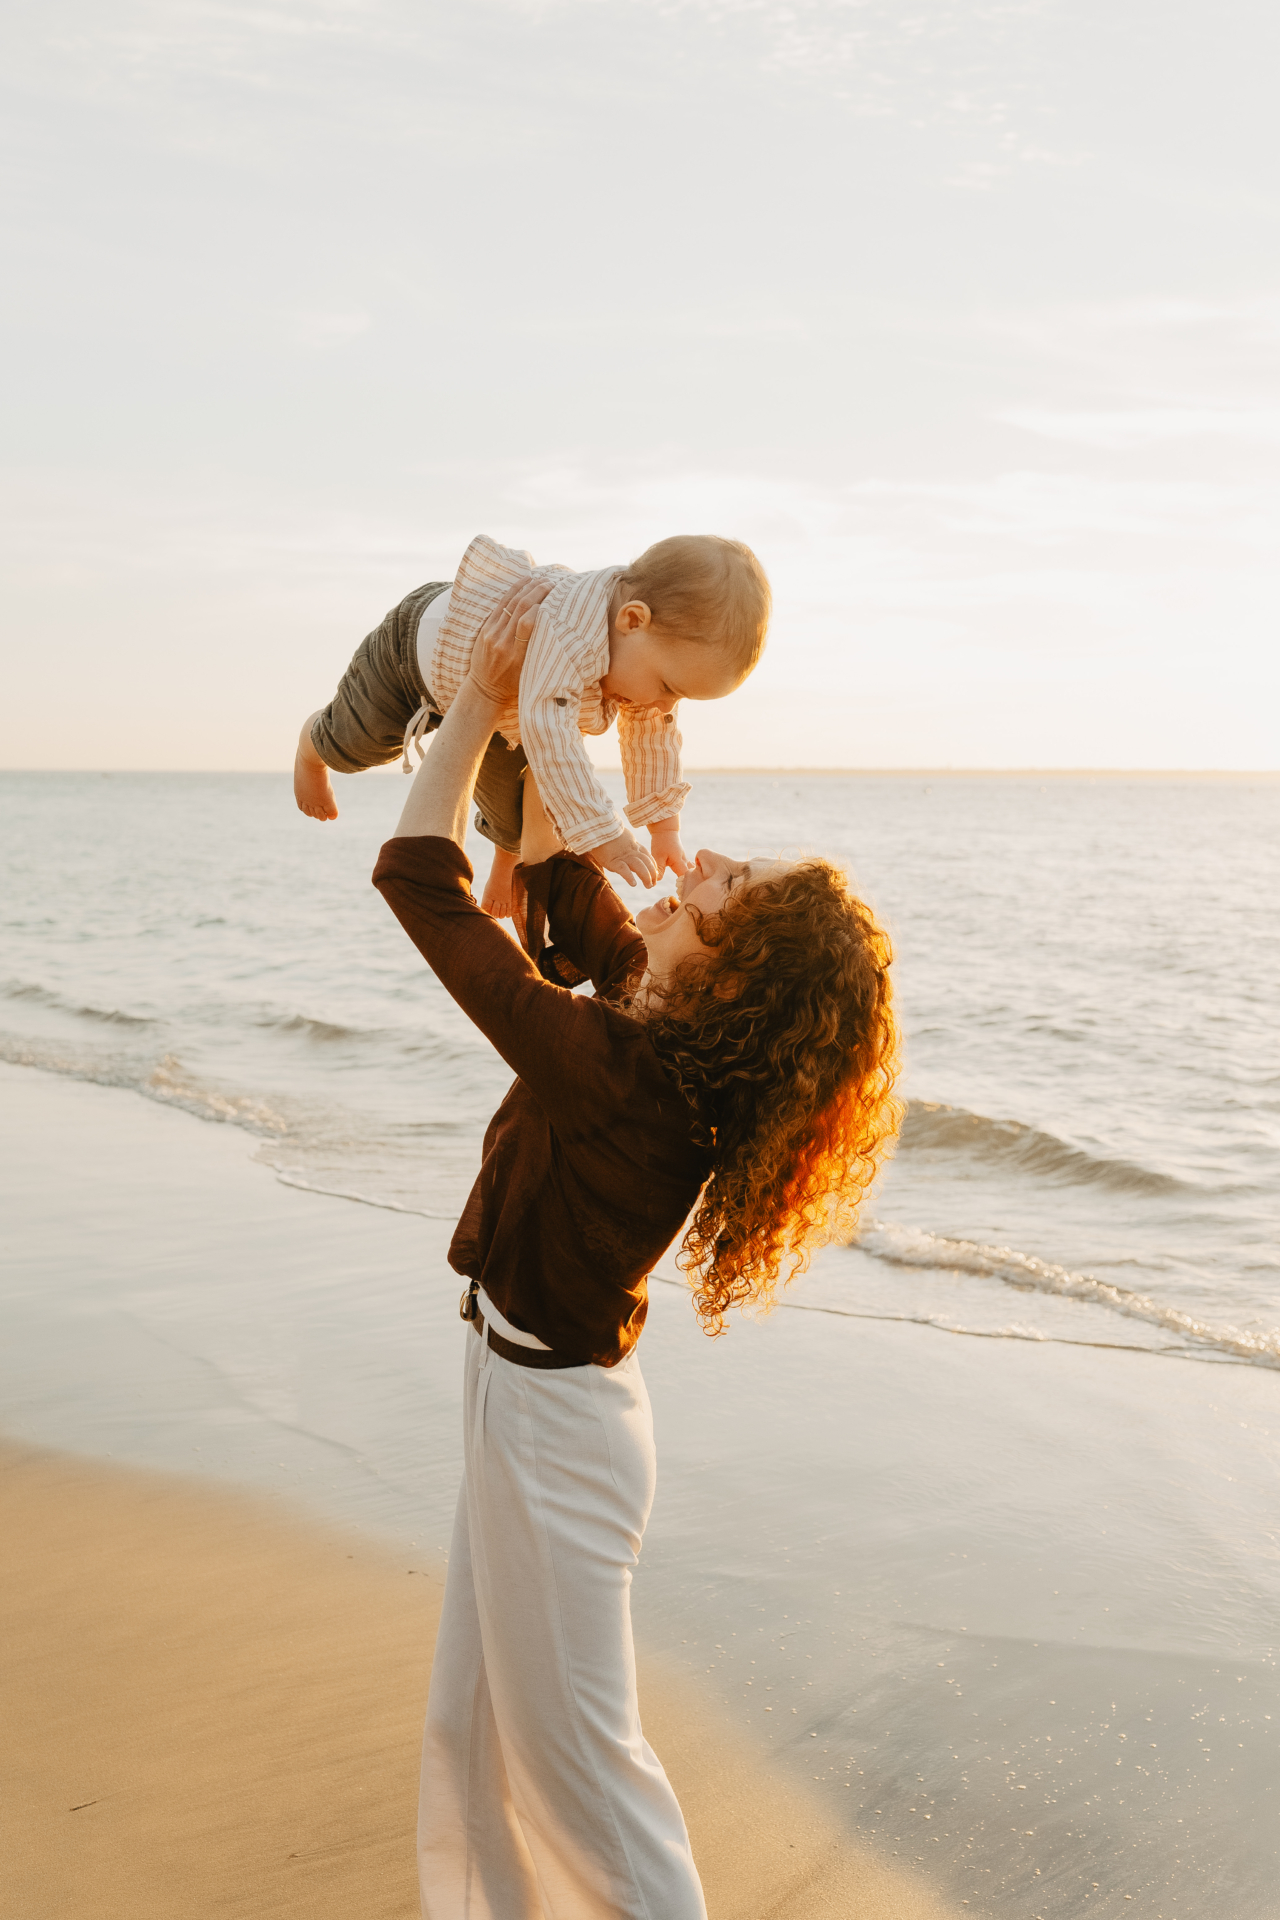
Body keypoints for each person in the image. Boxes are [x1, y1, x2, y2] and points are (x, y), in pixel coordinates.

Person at [371, 578, 903, 1919]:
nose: (697, 865)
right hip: (526, 1397)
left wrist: (472, 716)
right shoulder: (649, 1015)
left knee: (582, 1770)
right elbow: (551, 877)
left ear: (732, 971)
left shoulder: (626, 1068)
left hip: (559, 1434)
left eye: (725, 885)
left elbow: (423, 889)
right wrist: (554, 695)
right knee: (476, 1725)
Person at [297, 531, 771, 917]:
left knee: (515, 806)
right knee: (355, 746)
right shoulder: (570, 632)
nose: (665, 703)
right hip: (415, 661)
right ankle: (312, 747)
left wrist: (663, 827)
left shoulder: (646, 647)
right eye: (667, 685)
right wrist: (605, 833)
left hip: (506, 708)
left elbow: (654, 737)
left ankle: (507, 858)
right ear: (632, 619)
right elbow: (553, 737)